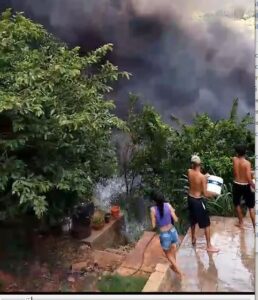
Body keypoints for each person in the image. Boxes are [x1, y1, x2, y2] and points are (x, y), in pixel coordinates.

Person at [187, 155, 219, 253]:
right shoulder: (202, 177)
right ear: (200, 164)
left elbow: (195, 180)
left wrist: (204, 177)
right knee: (206, 223)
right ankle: (209, 246)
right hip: (197, 201)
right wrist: (215, 193)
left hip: (190, 198)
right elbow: (205, 193)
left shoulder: (189, 171)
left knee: (193, 220)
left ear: (192, 164)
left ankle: (193, 238)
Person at [150, 191, 183, 279]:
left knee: (168, 254)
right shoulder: (168, 205)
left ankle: (179, 271)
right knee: (173, 248)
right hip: (173, 231)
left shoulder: (153, 209)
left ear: (154, 201)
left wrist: (154, 225)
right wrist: (172, 212)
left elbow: (153, 225)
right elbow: (176, 220)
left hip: (164, 235)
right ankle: (174, 267)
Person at [233, 144, 255, 229]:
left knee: (237, 204)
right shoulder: (247, 163)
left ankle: (241, 223)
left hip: (236, 184)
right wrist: (254, 186)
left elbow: (235, 172)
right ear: (245, 152)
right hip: (246, 185)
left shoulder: (234, 159)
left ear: (237, 152)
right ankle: (255, 227)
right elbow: (249, 179)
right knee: (250, 207)